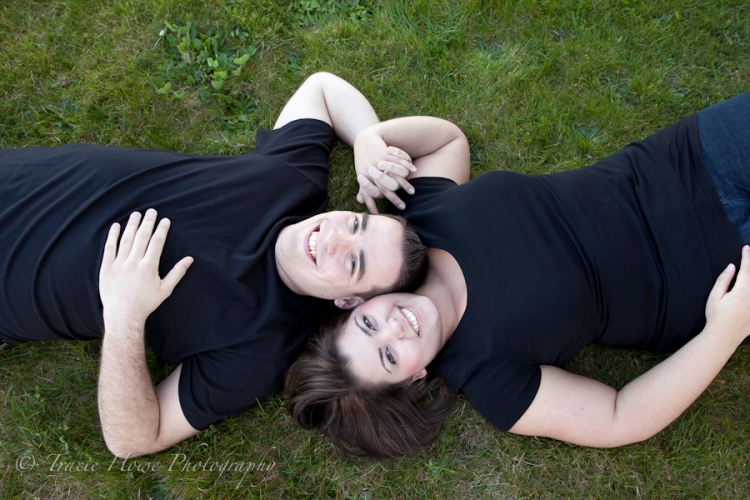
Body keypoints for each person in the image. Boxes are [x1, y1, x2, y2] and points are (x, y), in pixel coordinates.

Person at [285, 91, 750, 459]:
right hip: (715, 272)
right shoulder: (489, 376)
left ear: (357, 305)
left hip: (684, 159)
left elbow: (447, 140)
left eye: (369, 324)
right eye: (389, 356)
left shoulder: (417, 229)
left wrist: (372, 139)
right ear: (412, 379)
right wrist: (724, 333)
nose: (394, 327)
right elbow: (617, 419)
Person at [0, 72, 427, 458]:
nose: (333, 237)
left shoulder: (260, 348)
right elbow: (321, 89)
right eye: (356, 223)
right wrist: (371, 138)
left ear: (349, 300)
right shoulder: (293, 181)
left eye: (353, 262)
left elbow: (134, 440)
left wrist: (124, 316)